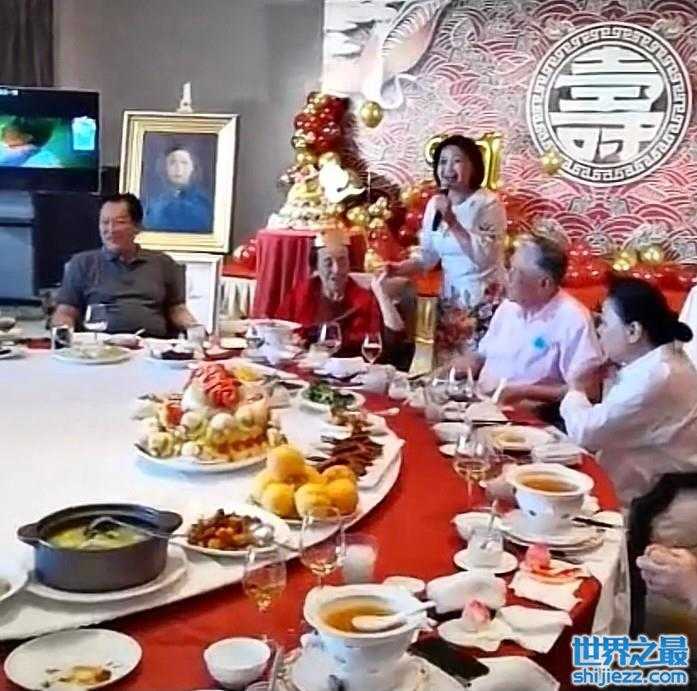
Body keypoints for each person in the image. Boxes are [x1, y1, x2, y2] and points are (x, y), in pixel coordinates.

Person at [560, 277, 697, 525]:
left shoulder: (657, 376)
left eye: (604, 322)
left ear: (633, 331)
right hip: (634, 488)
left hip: (653, 507)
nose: (599, 330)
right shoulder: (652, 364)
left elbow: (585, 434)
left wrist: (576, 388)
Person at [454, 233, 603, 409]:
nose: (506, 277)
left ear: (544, 283)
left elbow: (588, 390)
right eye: (508, 268)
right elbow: (482, 356)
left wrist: (525, 392)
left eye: (515, 272)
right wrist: (459, 368)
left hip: (530, 415)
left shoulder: (573, 319)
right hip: (482, 404)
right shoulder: (509, 307)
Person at [53, 193, 200, 338]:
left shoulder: (163, 263)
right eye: (105, 222)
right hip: (99, 345)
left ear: (137, 227)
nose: (111, 230)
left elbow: (177, 309)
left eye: (119, 222)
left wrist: (195, 328)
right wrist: (63, 333)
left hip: (151, 345)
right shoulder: (82, 263)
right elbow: (65, 312)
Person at [275, 227, 405, 357]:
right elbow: (279, 330)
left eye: (342, 260)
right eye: (328, 262)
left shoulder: (363, 299)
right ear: (316, 267)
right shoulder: (301, 294)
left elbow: (391, 343)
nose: (336, 270)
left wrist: (380, 291)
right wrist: (291, 340)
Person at [143, 144, 213, 232]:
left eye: (184, 163)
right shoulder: (154, 206)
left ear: (192, 167)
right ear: (165, 168)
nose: (178, 169)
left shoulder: (205, 204)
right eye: (172, 163)